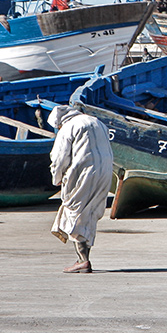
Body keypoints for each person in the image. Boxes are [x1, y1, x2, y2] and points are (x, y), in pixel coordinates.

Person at [48, 105, 114, 274]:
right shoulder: (98, 122)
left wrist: (56, 178)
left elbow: (59, 158)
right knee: (90, 213)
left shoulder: (68, 127)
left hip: (82, 173)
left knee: (74, 213)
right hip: (105, 172)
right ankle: (83, 259)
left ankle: (82, 261)